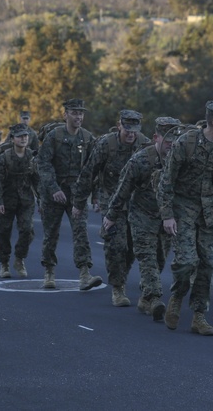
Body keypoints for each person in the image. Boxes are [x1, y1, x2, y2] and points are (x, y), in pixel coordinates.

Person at [158, 100, 213, 335]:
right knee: (186, 261)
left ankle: (199, 315)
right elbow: (166, 182)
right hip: (183, 209)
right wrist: (167, 216)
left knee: (207, 264)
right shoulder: (185, 143)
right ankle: (176, 296)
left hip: (209, 214)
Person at [103, 116, 181, 321]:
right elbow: (123, 190)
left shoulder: (181, 160)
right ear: (156, 137)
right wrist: (111, 216)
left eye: (175, 139)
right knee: (147, 258)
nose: (171, 144)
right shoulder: (140, 160)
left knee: (160, 258)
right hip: (141, 215)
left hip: (165, 218)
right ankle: (154, 298)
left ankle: (145, 297)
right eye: (167, 139)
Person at [72, 109, 150, 307]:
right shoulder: (106, 144)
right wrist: (79, 203)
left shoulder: (144, 144)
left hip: (136, 204)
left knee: (132, 247)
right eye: (127, 130)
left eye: (134, 130)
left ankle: (121, 278)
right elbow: (89, 173)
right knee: (116, 246)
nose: (131, 134)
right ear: (119, 126)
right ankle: (118, 288)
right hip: (111, 201)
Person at [36, 98, 102, 291]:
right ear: (65, 115)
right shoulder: (54, 137)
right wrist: (53, 189)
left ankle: (84, 274)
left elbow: (93, 169)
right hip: (53, 192)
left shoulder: (88, 138)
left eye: (81, 113)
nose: (78, 116)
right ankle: (49, 271)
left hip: (77, 194)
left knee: (81, 232)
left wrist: (95, 195)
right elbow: (43, 165)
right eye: (74, 113)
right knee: (51, 234)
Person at [0, 123, 39, 278]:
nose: (24, 139)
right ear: (12, 139)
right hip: (6, 200)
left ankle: (19, 259)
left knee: (27, 230)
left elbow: (37, 180)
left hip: (26, 201)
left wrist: (42, 199)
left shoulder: (32, 156)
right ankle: (4, 263)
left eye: (25, 136)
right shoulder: (3, 158)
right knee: (3, 232)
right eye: (20, 136)